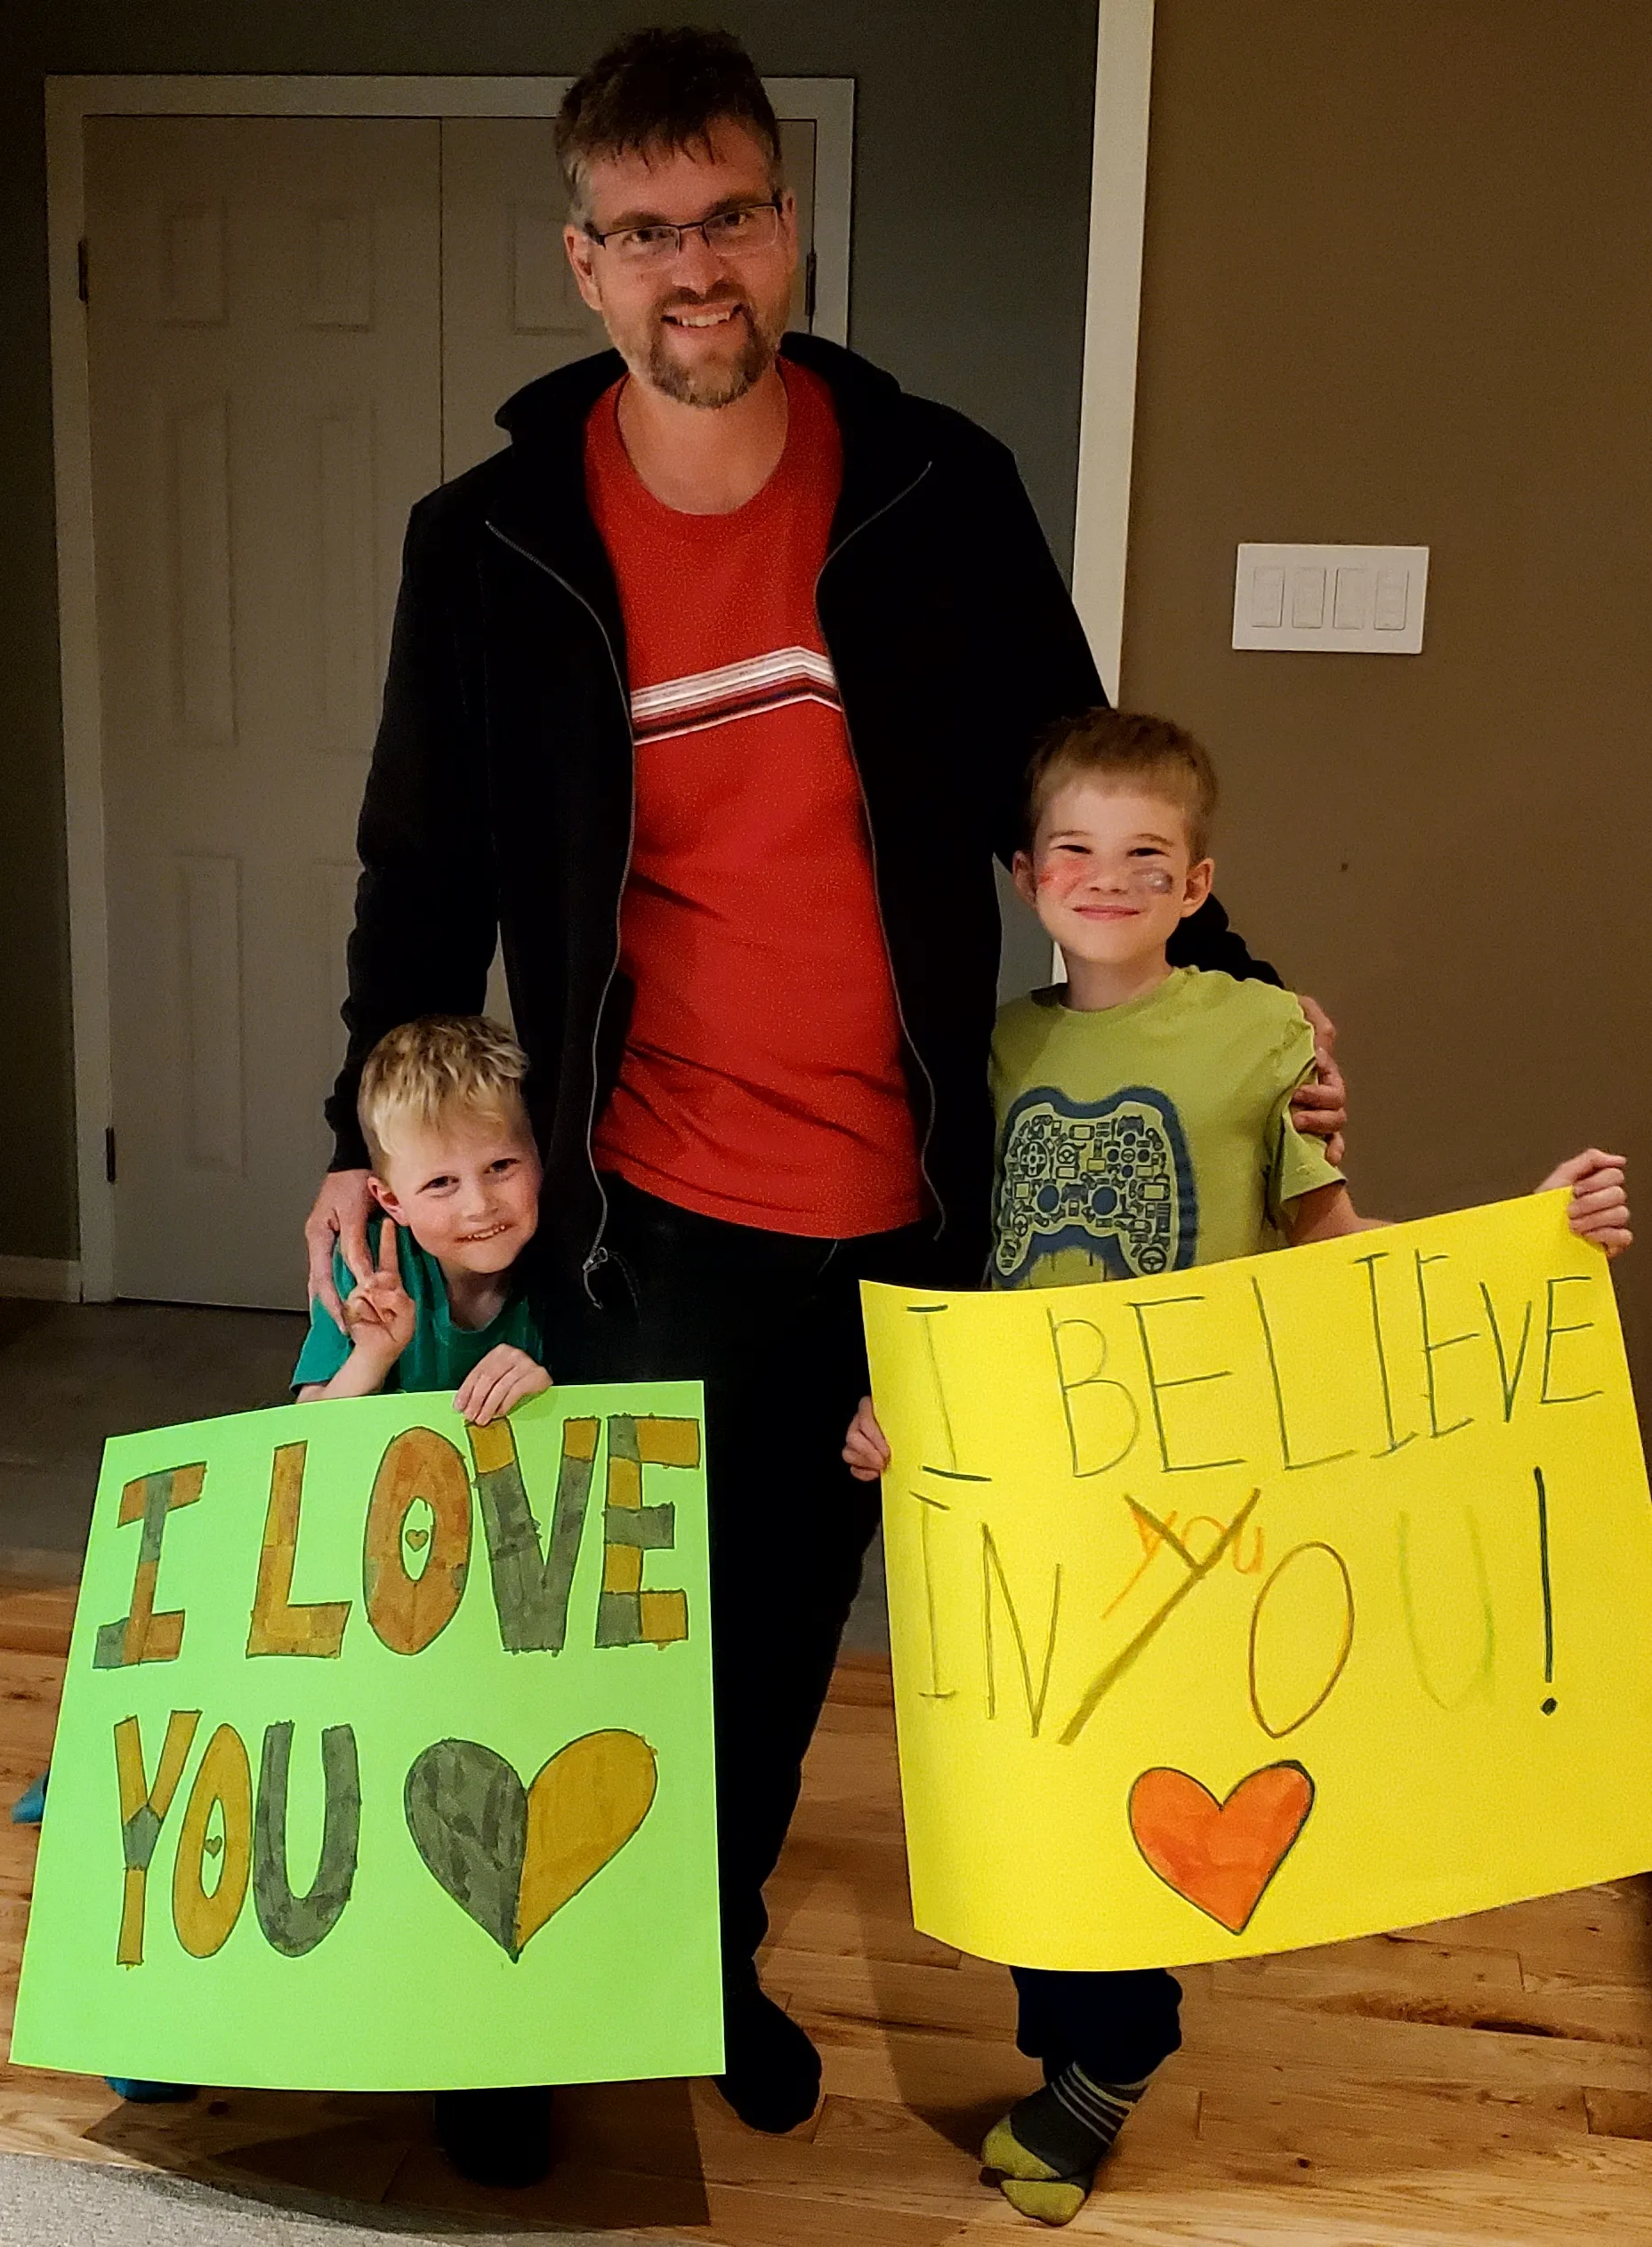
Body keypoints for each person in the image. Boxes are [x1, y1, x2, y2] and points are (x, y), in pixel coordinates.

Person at [302, 28, 1345, 2185]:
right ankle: (520, 1997)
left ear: (787, 226)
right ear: (585, 261)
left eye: (734, 217)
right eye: (649, 231)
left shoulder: (929, 486)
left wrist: (1241, 1015)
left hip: (902, 1199)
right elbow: (427, 876)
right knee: (589, 1628)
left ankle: (699, 1954)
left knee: (780, 1639)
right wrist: (359, 1128)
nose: (700, 266)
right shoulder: (487, 540)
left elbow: (1071, 792)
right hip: (647, 1208)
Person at [842, 706, 1632, 2227]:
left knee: (1127, 1759)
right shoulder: (987, 1044)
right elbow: (950, 1253)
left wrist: (1527, 1248)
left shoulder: (1262, 1034)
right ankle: (1074, 2042)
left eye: (1146, 855)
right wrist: (898, 1403)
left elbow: (1327, 1240)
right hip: (1015, 1483)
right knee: (1024, 1763)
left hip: (1190, 1491)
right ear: (1024, 873)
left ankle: (1107, 2055)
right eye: (1074, 849)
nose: (1107, 877)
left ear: (1197, 882)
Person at [294, 1014, 550, 1425]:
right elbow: (302, 1427)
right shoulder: (366, 1267)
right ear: (392, 1201)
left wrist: (546, 1393)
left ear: (541, 1157)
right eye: (441, 1182)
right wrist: (372, 1358)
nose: (479, 1206)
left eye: (501, 1165)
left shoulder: (572, 1263)